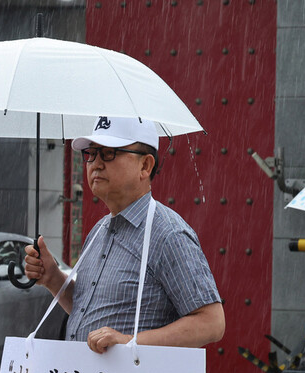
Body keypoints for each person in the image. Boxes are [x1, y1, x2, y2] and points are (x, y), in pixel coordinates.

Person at [23, 115, 225, 353]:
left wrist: (130, 342)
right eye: (91, 153)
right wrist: (53, 278)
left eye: (109, 153)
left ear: (145, 166)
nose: (96, 164)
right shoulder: (99, 230)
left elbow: (211, 323)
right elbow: (86, 309)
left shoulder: (168, 233)